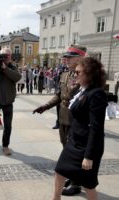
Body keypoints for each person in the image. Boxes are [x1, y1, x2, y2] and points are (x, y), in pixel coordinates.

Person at [33, 45, 87, 196]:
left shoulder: (86, 76)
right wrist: (45, 106)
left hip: (76, 120)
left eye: (69, 57)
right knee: (66, 149)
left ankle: (76, 184)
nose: (66, 59)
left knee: (75, 153)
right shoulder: (65, 74)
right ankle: (73, 176)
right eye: (66, 57)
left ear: (79, 58)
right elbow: (59, 95)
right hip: (63, 118)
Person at [52, 57, 108, 200]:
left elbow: (96, 128)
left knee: (88, 185)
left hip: (87, 147)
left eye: (78, 72)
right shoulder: (83, 90)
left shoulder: (96, 94)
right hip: (74, 143)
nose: (75, 74)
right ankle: (55, 198)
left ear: (89, 74)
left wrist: (88, 156)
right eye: (75, 72)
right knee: (59, 171)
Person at [52, 58, 68, 129]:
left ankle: (65, 124)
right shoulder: (58, 68)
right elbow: (54, 77)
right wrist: (57, 75)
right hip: (58, 90)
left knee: (65, 108)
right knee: (58, 107)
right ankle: (58, 123)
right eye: (62, 59)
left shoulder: (68, 68)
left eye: (65, 59)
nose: (63, 61)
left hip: (66, 91)